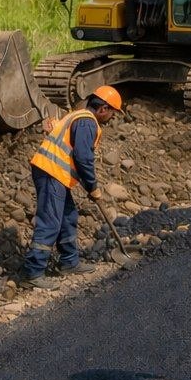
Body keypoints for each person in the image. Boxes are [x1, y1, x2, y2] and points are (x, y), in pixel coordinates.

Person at [22, 85, 123, 289]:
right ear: (103, 108)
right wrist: (93, 187)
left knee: (68, 217)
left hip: (55, 173)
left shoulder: (78, 116)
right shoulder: (87, 122)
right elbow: (83, 158)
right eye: (112, 112)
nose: (112, 117)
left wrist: (88, 185)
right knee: (50, 222)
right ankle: (33, 273)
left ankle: (69, 262)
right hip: (51, 172)